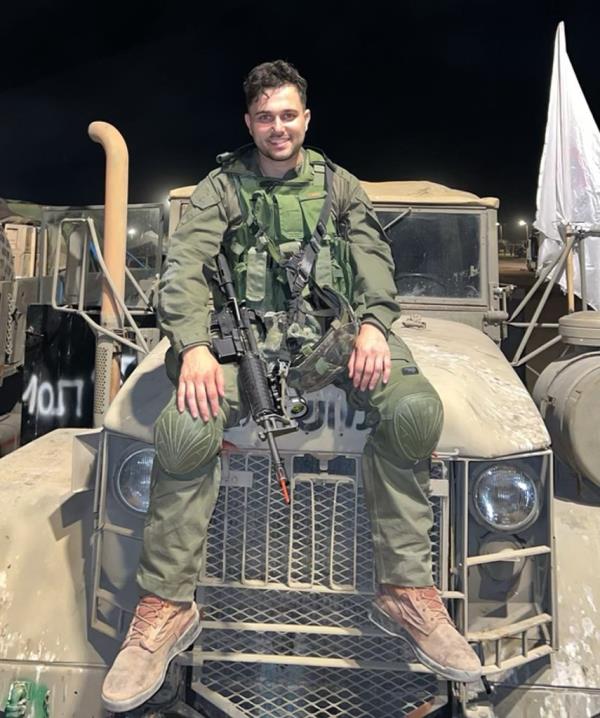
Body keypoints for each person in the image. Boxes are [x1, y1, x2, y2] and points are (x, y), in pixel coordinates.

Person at [102, 60, 482, 713]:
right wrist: (191, 346)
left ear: (306, 118)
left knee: (417, 410)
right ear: (249, 122)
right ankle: (165, 607)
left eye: (288, 115)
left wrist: (370, 327)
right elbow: (184, 273)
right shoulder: (222, 189)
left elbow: (372, 269)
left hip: (332, 338)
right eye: (265, 117)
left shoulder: (341, 188)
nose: (278, 127)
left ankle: (407, 591)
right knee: (183, 426)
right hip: (243, 342)